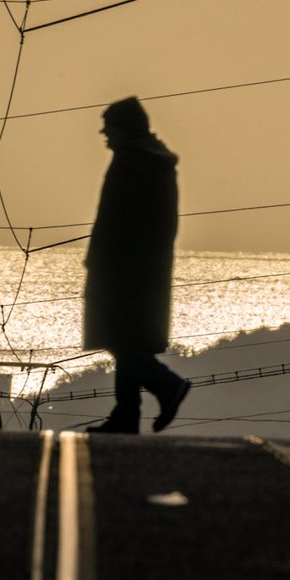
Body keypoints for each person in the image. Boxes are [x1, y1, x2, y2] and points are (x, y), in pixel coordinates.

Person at [83, 97, 190, 434]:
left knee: (122, 339)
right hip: (137, 267)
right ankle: (126, 414)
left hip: (124, 269)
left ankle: (166, 385)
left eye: (108, 127)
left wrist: (101, 261)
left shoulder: (135, 161)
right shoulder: (148, 160)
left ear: (124, 128)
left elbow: (117, 220)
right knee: (126, 340)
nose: (104, 134)